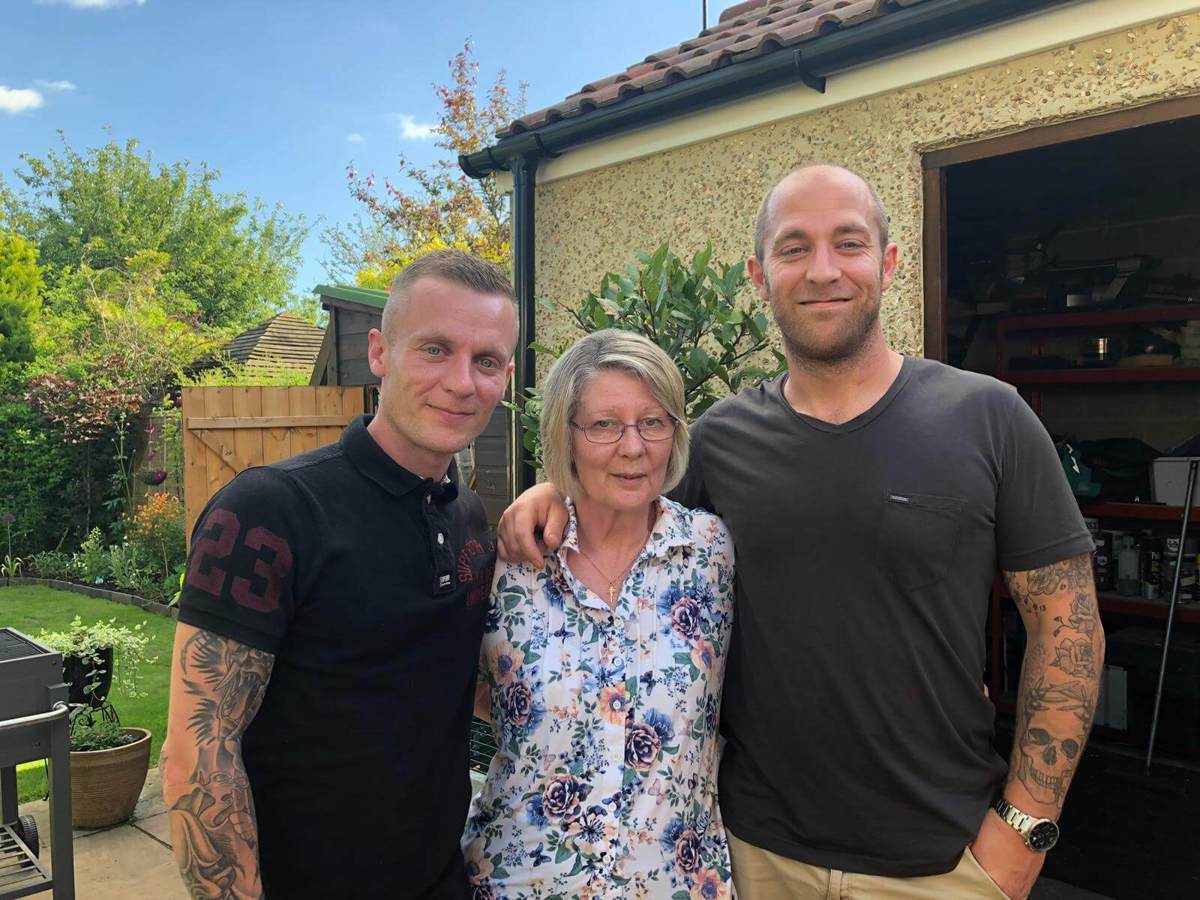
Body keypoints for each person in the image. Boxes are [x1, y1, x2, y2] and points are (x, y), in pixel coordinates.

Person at [497, 164, 1105, 900]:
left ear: (886, 262)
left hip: (943, 863)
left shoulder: (990, 418)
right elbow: (625, 521)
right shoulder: (720, 441)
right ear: (760, 275)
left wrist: (1025, 828)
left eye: (847, 243)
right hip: (756, 857)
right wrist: (552, 490)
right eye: (794, 248)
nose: (822, 270)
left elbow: (1068, 630)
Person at [161, 250, 518, 899]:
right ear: (380, 353)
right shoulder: (269, 513)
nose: (463, 382)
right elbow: (198, 757)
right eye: (435, 349)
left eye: (486, 360)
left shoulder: (464, 514)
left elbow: (448, 681)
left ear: (507, 375)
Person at [462, 329, 735, 897]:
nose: (633, 447)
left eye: (654, 422)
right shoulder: (509, 563)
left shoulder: (712, 551)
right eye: (604, 425)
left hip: (674, 883)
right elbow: (467, 696)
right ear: (567, 437)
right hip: (523, 880)